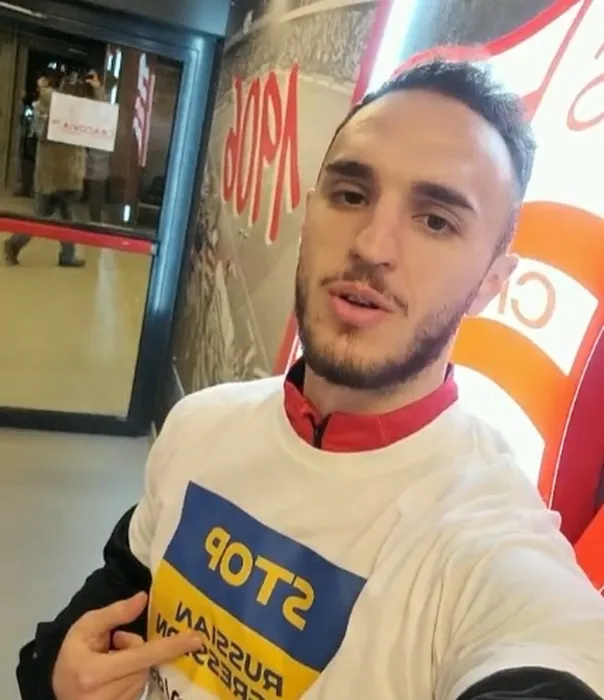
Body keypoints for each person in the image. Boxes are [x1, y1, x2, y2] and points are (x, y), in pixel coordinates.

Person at [17, 59, 604, 700]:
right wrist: (57, 678)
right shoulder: (201, 424)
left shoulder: (490, 547)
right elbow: (104, 605)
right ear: (310, 212)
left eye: (437, 220)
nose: (372, 246)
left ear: (493, 281)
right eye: (351, 195)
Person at [4, 70, 103, 268]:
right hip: (63, 173)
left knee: (54, 216)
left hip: (55, 174)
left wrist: (96, 90)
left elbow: (98, 114)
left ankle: (60, 254)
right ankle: (18, 244)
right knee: (54, 216)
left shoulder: (48, 107)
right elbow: (98, 114)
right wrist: (97, 90)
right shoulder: (58, 109)